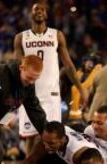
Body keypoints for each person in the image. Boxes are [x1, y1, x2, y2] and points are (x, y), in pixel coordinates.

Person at [14, 1, 86, 154]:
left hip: (51, 94)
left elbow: (69, 66)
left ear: (46, 14)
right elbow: (16, 68)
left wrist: (81, 89)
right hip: (28, 93)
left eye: (42, 9)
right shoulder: (20, 38)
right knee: (30, 137)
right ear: (30, 14)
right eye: (36, 9)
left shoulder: (57, 35)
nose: (39, 11)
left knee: (53, 136)